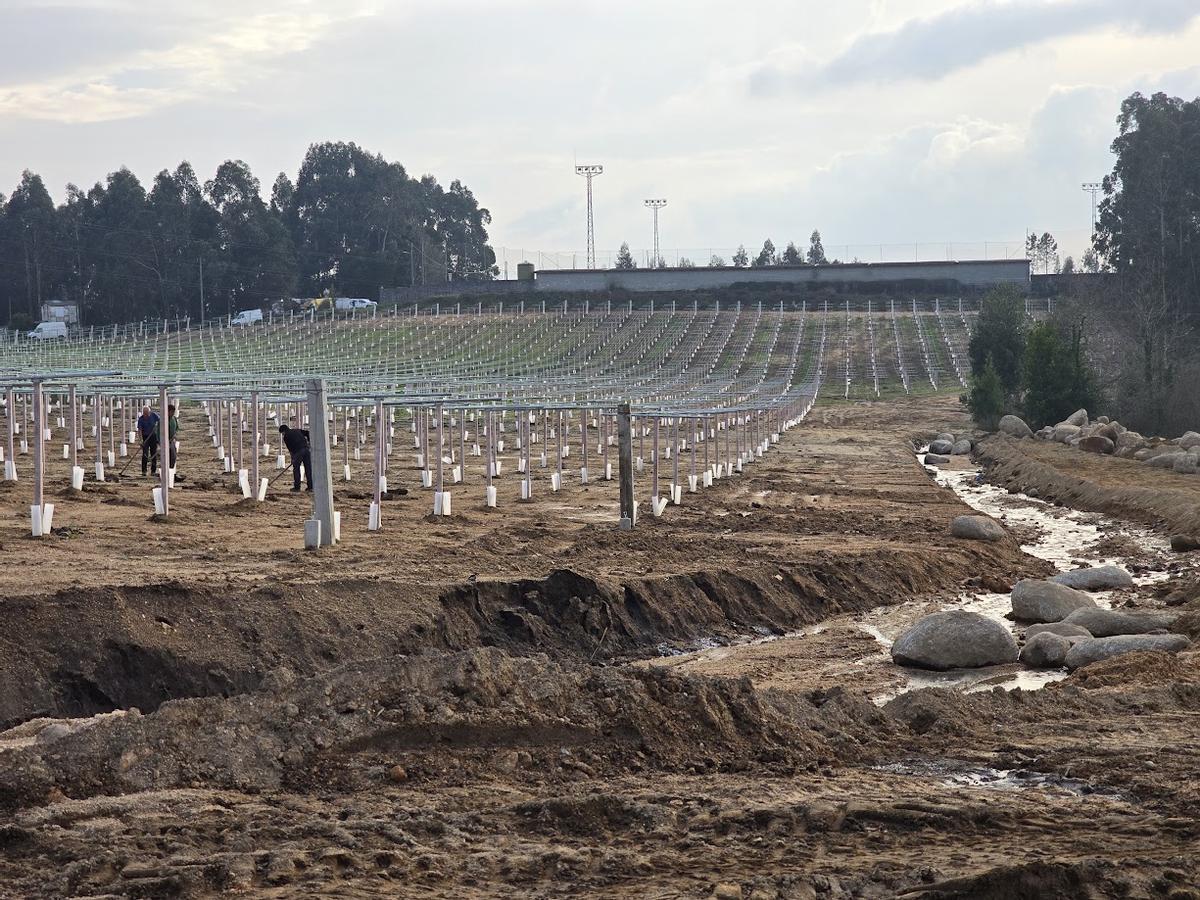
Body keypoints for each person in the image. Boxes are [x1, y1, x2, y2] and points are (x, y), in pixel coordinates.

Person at [279, 423, 312, 491]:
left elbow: (290, 449)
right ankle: (310, 486)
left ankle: (297, 487)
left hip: (298, 452)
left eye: (282, 433)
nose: (282, 434)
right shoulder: (297, 430)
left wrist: (293, 459)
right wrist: (309, 442)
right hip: (306, 450)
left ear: (283, 431)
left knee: (296, 469)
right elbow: (308, 433)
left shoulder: (286, 436)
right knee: (308, 468)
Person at [137, 405, 160, 476]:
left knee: (153, 453)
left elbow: (161, 421)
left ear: (149, 412)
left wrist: (157, 427)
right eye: (144, 414)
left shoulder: (154, 415)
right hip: (145, 437)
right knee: (145, 454)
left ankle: (153, 471)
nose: (145, 416)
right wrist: (141, 440)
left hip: (153, 436)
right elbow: (140, 430)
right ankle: (144, 471)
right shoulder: (141, 419)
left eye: (147, 414)